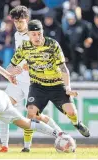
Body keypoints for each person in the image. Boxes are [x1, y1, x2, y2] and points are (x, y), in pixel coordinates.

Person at [10, 19, 90, 151]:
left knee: (71, 112)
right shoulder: (24, 47)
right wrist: (12, 72)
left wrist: (68, 87)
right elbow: (10, 66)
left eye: (39, 34)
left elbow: (63, 68)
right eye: (33, 34)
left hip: (56, 84)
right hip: (37, 85)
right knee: (31, 114)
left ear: (43, 32)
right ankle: (26, 147)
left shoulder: (52, 44)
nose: (37, 37)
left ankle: (77, 123)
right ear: (28, 35)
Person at [0, 6, 62, 153]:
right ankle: (4, 146)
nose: (18, 24)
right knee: (2, 109)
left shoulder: (35, 36)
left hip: (33, 82)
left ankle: (60, 134)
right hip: (18, 81)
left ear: (26, 20)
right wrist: (12, 72)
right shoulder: (16, 35)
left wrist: (29, 64)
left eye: (20, 21)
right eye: (15, 22)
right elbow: (18, 58)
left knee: (34, 116)